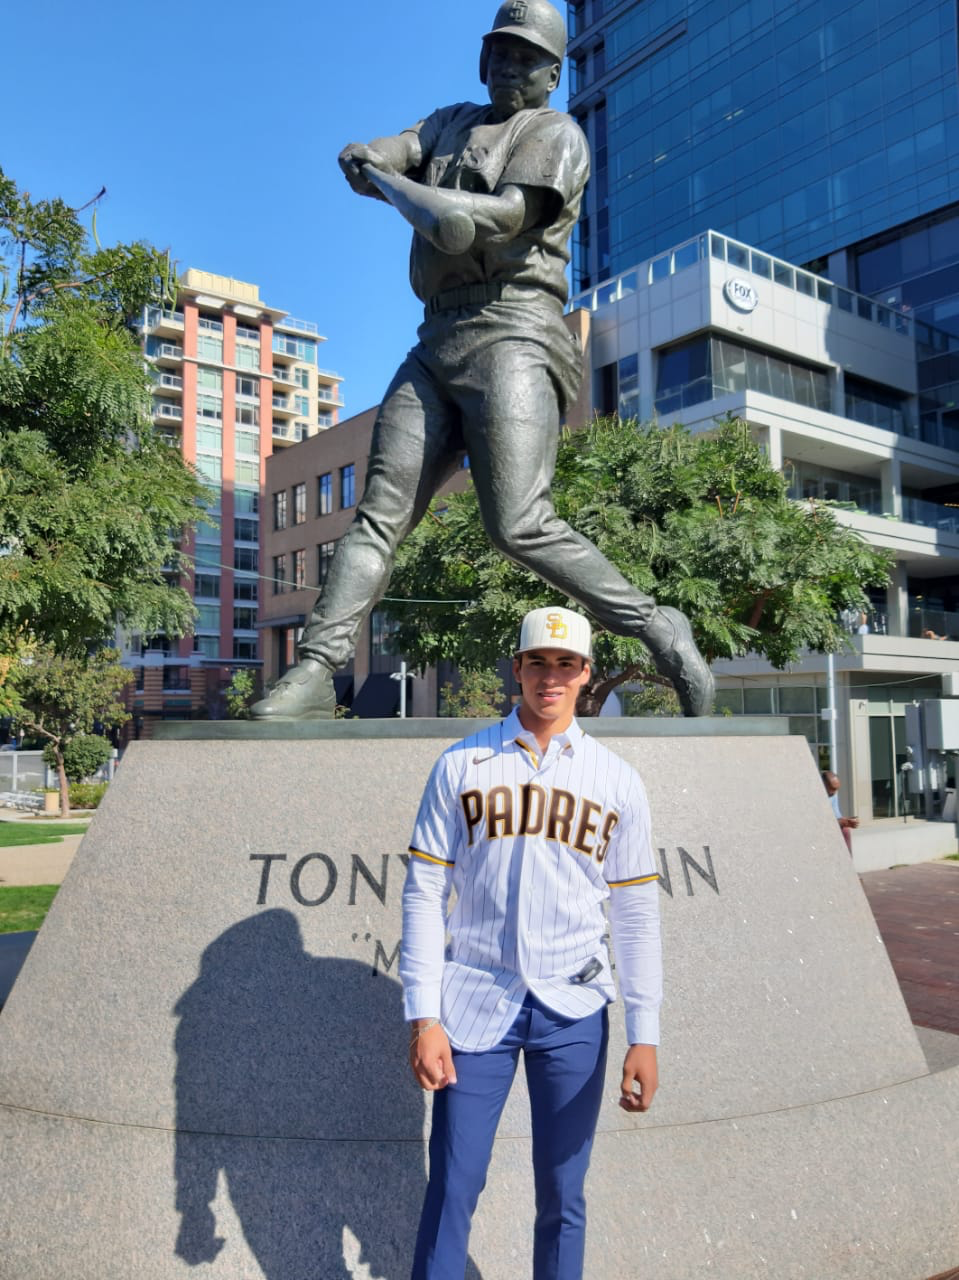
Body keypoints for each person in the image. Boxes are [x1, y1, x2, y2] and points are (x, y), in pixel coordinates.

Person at [251, 0, 713, 724]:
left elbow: (490, 221)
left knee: (518, 523)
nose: (507, 66)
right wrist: (371, 158)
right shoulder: (451, 120)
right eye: (498, 52)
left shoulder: (555, 133)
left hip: (514, 329)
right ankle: (315, 671)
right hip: (436, 338)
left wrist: (400, 191)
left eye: (525, 57)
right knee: (377, 513)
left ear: (553, 73)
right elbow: (396, 150)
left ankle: (658, 626)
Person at [400, 606, 662, 1279]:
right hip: (472, 1001)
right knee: (453, 1186)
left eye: (566, 664)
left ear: (585, 674)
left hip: (572, 1009)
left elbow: (633, 914)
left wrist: (644, 1032)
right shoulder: (462, 763)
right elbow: (424, 894)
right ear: (516, 668)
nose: (551, 676)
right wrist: (423, 1017)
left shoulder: (617, 780)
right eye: (538, 662)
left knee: (563, 1195)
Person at [821, 770, 858, 854]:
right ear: (823, 784)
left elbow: (837, 817)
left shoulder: (833, 795)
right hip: (823, 831)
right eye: (832, 789)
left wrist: (847, 821)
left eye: (836, 789)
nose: (834, 793)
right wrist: (842, 822)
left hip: (833, 828)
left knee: (845, 830)